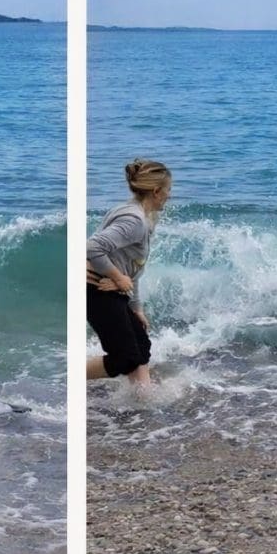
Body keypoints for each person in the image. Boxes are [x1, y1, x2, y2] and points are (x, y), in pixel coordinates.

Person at [86, 158, 172, 386]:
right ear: (156, 191)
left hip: (108, 288)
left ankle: (142, 400)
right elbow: (92, 247)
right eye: (168, 190)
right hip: (95, 288)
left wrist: (136, 308)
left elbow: (131, 268)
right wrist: (118, 278)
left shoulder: (138, 215)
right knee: (124, 358)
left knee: (141, 347)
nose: (169, 195)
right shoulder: (134, 220)